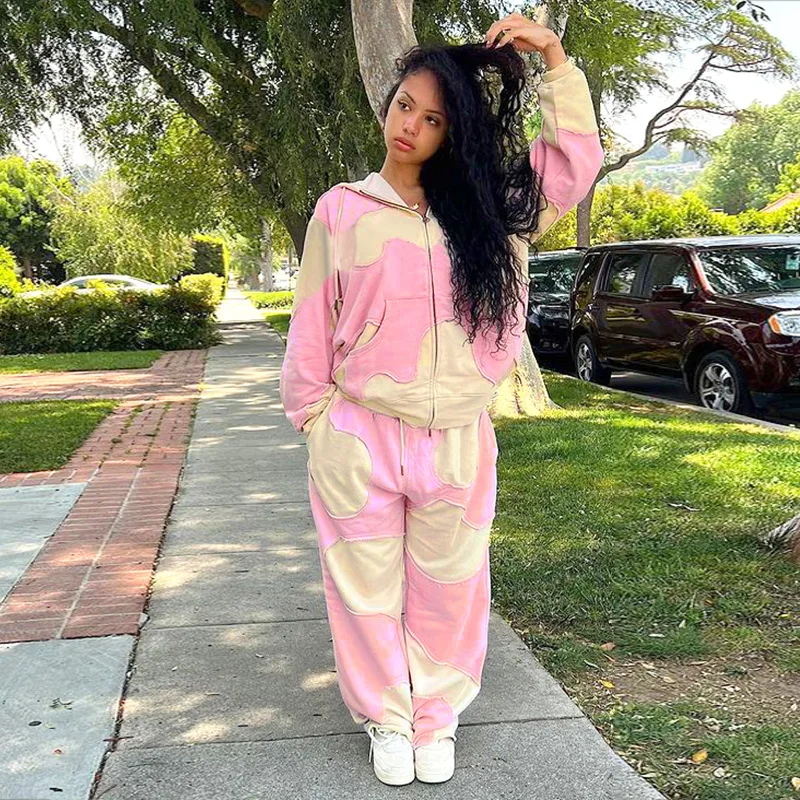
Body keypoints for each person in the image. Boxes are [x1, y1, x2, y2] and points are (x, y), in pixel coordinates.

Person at [279, 11, 603, 787]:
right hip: (359, 433)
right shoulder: (341, 210)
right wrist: (316, 421)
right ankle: (387, 718)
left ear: (454, 132)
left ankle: (436, 718)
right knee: (364, 590)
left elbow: (574, 159)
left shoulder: (497, 211)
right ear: (388, 104)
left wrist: (554, 58)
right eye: (405, 107)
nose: (411, 127)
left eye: (433, 119)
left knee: (450, 590)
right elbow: (311, 327)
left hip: (456, 437)